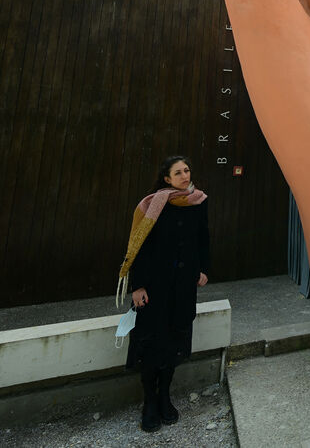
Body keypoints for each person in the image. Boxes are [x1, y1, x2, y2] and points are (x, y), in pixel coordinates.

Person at [117, 156, 210, 432]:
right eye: (177, 172)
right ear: (166, 179)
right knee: (152, 343)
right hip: (155, 287)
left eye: (187, 170)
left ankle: (165, 396)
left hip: (183, 286)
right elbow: (140, 247)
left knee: (174, 341)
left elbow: (203, 237)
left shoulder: (199, 201)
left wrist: (204, 268)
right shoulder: (152, 204)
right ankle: (149, 402)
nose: (184, 175)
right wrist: (138, 285)